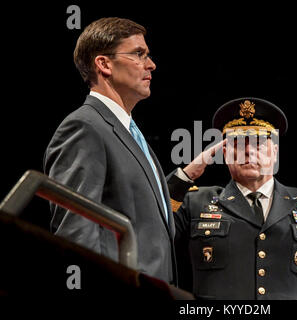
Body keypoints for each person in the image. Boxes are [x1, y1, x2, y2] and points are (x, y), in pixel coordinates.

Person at [44, 17, 193, 283]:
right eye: (139, 54)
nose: (151, 64)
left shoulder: (130, 133)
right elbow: (75, 235)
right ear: (103, 64)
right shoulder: (84, 128)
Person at [170, 97, 297, 299]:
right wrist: (185, 176)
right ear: (225, 153)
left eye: (259, 143)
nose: (248, 150)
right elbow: (153, 227)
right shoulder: (196, 202)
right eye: (238, 143)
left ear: (275, 152)